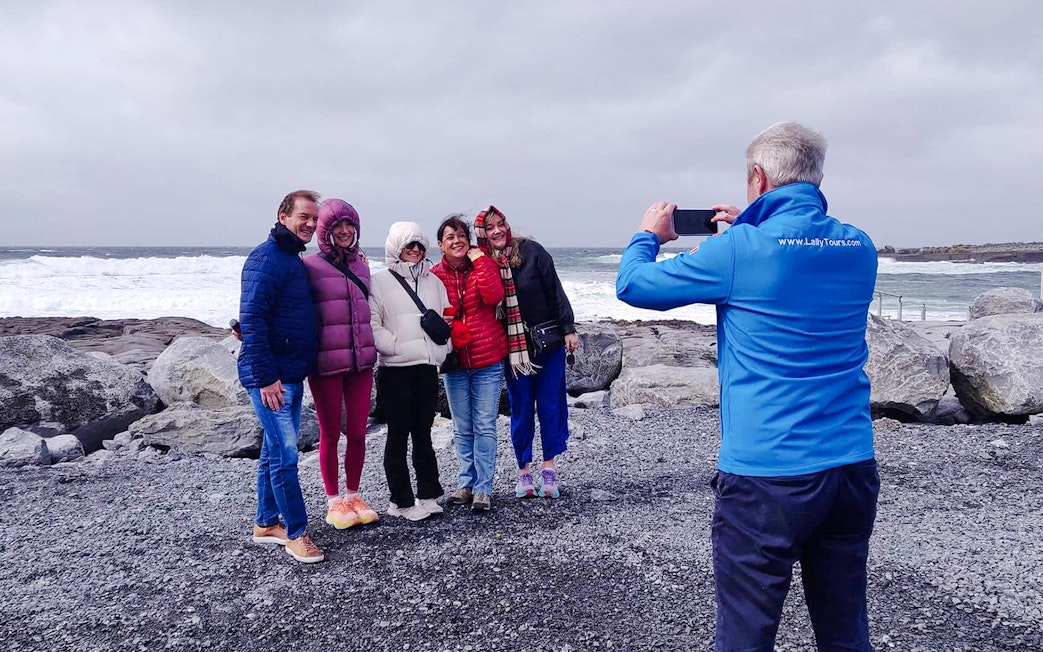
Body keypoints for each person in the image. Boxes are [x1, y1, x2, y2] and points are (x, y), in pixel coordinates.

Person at [616, 122, 879, 651]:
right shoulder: (858, 245)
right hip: (850, 465)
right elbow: (794, 261)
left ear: (757, 176)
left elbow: (633, 285)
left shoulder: (740, 248)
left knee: (746, 634)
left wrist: (650, 235)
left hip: (768, 475)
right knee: (844, 627)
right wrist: (749, 229)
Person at [239, 189, 325, 564]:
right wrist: (266, 377)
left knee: (273, 452)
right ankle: (297, 533)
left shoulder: (290, 258)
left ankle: (264, 523)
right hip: (272, 377)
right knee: (287, 455)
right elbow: (252, 319)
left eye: (314, 219)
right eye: (303, 216)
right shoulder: (266, 257)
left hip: (288, 372)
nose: (310, 224)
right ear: (283, 216)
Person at [473, 206, 578, 499]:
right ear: (482, 234)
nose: (497, 231)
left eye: (501, 224)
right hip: (511, 350)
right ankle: (523, 473)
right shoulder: (482, 263)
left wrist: (569, 327)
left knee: (551, 406)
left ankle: (549, 470)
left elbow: (555, 290)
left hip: (548, 344)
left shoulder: (532, 252)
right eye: (490, 228)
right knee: (520, 410)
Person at [302, 198, 380, 530]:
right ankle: (334, 501)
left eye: (351, 226)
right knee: (330, 433)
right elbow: (290, 306)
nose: (346, 232)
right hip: (325, 364)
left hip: (361, 362)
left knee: (359, 432)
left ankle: (353, 494)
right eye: (338, 227)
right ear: (325, 231)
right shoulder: (308, 266)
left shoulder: (362, 265)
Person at [369, 222, 452, 521]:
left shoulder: (434, 282)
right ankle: (400, 500)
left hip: (427, 368)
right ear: (396, 248)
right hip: (395, 370)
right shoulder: (378, 281)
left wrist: (443, 350)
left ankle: (428, 494)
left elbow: (446, 320)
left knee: (423, 434)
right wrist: (392, 346)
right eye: (409, 245)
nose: (415, 250)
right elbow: (371, 323)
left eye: (419, 244)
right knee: (398, 434)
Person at [431, 215, 507, 513]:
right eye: (450, 236)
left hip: (487, 358)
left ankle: (484, 489)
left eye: (461, 235)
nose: (456, 240)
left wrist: (481, 260)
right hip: (455, 360)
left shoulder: (483, 265)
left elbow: (494, 295)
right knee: (462, 427)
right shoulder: (434, 274)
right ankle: (466, 483)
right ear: (441, 244)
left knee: (485, 424)